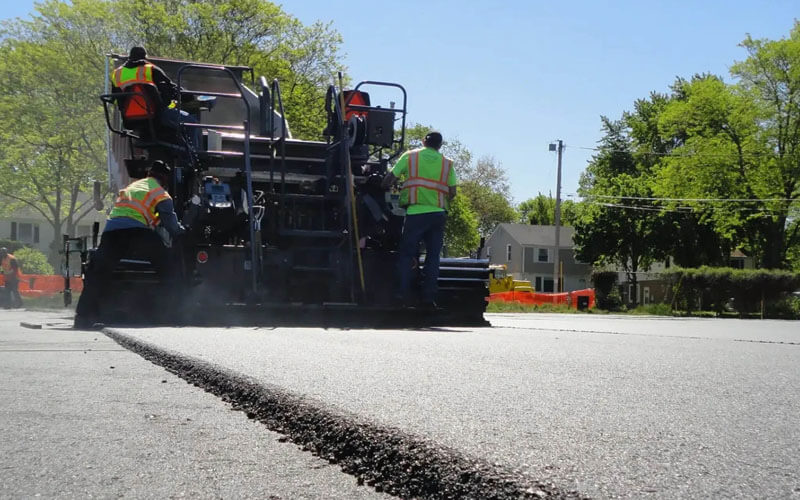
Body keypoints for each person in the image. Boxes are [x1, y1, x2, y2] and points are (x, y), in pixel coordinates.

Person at [74, 161, 185, 329]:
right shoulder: (160, 193)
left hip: (112, 231)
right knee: (168, 267)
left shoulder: (132, 187)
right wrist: (183, 232)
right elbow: (171, 225)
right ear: (164, 178)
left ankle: (83, 319)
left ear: (149, 173)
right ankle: (171, 314)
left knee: (97, 274)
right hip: (136, 232)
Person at [382, 131, 457, 308]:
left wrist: (383, 185)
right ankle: (428, 299)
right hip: (438, 214)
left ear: (423, 141)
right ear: (440, 145)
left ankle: (401, 295)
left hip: (416, 213)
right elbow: (452, 192)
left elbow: (389, 179)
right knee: (433, 258)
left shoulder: (410, 157)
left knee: (407, 255)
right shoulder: (447, 163)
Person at [110, 46, 199, 147]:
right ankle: (192, 159)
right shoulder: (151, 70)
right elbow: (171, 90)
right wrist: (188, 96)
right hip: (156, 117)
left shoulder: (116, 74)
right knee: (192, 123)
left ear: (129, 57)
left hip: (130, 121)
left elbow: (115, 100)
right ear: (145, 57)